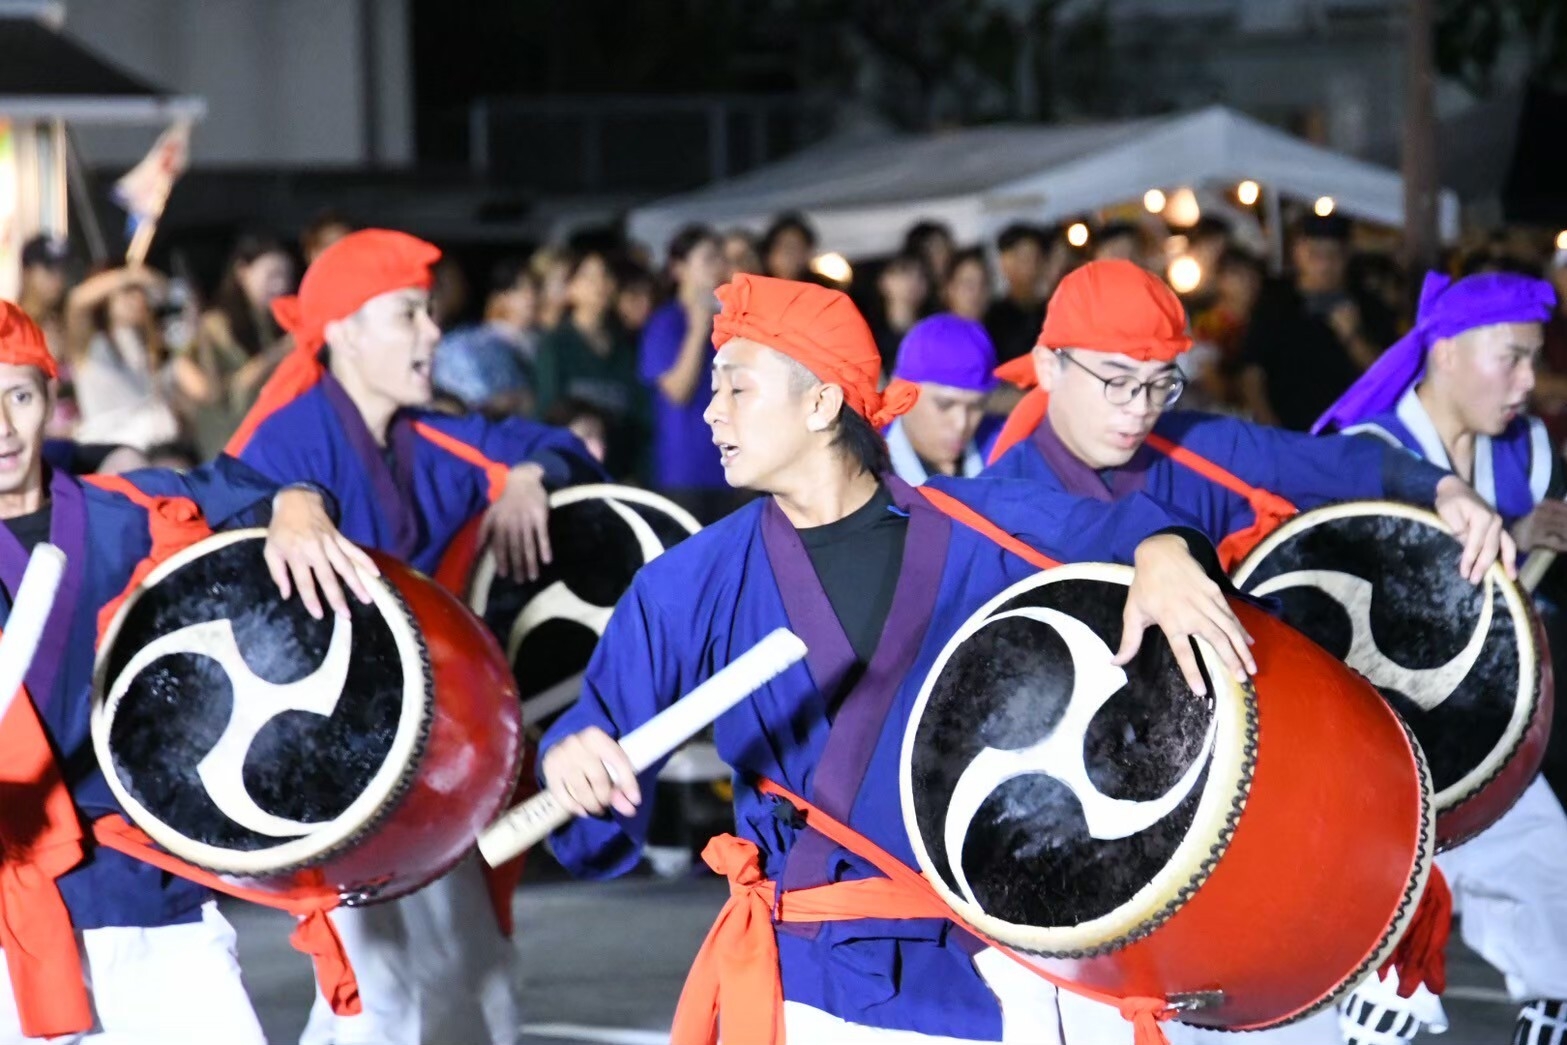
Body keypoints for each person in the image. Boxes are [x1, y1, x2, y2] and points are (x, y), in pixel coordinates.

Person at [538, 273, 1265, 1045]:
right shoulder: (689, 583)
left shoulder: (979, 525)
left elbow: (1136, 532)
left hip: (993, 969)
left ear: (820, 404)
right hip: (813, 982)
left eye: (737, 388)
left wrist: (1167, 553)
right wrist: (573, 759)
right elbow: (598, 740)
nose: (711, 410)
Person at [225, 228, 603, 1045]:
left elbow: (560, 447)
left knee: (477, 973)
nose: (433, 333)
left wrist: (531, 477)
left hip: (431, 760)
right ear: (344, 332)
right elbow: (223, 530)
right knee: (380, 989)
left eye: (429, 313)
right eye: (408, 315)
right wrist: (283, 505)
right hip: (329, 767)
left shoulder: (431, 438)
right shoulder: (285, 441)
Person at [0, 300, 374, 1045]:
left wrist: (298, 504)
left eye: (19, 395)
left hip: (146, 879)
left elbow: (254, 489)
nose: (3, 429)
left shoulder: (132, 509)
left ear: (51, 397)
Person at [1314, 270, 1567, 1045]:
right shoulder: (1367, 454)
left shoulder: (1521, 449)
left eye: (1534, 358)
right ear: (1448, 350)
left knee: (1553, 915)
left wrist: (1524, 544)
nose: (1528, 379)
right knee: (1383, 986)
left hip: (1483, 741)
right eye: (1511, 357)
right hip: (1377, 754)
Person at [985, 259, 1512, 584]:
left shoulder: (1196, 445)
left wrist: (1443, 487)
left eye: (1160, 383)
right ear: (1050, 366)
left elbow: (1339, 461)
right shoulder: (995, 504)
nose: (1141, 407)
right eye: (1118, 381)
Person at [1237, 214, 1392, 430]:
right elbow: (1252, 375)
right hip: (1289, 433)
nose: (1325, 264)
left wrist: (1353, 336)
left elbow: (1388, 376)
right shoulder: (1275, 302)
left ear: (1347, 255)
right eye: (1315, 254)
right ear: (1298, 253)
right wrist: (1272, 433)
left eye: (1333, 255)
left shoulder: (1368, 305)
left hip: (1352, 436)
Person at [639, 225, 733, 522]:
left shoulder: (731, 321)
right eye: (707, 259)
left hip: (731, 466)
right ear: (678, 268)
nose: (718, 267)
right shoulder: (665, 323)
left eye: (720, 258)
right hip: (684, 472)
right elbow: (677, 391)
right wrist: (697, 330)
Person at [534, 249, 646, 481]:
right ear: (570, 288)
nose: (600, 285)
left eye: (605, 276)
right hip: (570, 470)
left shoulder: (626, 345)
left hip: (618, 471)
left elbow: (637, 413)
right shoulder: (556, 345)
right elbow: (548, 409)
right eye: (589, 277)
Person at [189, 234, 296, 457]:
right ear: (242, 271)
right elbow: (230, 389)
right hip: (233, 437)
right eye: (272, 275)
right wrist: (282, 350)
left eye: (286, 275)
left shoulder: (279, 319)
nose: (281, 284)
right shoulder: (216, 325)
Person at [63, 266, 187, 451]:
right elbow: (76, 301)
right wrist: (131, 275)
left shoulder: (148, 343)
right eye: (127, 292)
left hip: (159, 448)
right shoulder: (90, 344)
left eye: (141, 292)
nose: (137, 298)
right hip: (113, 454)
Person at [884, 314, 998, 484]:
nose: (961, 423)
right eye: (944, 405)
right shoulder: (865, 467)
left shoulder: (1005, 452)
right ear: (901, 395)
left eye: (976, 406)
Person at [983, 223, 1048, 365]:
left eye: (1035, 257)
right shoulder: (991, 317)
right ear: (1004, 263)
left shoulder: (1053, 311)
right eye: (1023, 257)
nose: (1030, 266)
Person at [870, 251, 928, 374]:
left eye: (920, 275)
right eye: (904, 272)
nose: (913, 281)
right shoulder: (870, 338)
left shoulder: (933, 334)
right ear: (883, 281)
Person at [760, 212, 818, 283]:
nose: (788, 255)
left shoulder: (825, 289)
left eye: (795, 248)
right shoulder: (753, 288)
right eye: (784, 246)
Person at [942, 247, 991, 322]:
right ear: (950, 288)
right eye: (969, 283)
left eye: (983, 284)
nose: (977, 292)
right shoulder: (936, 331)